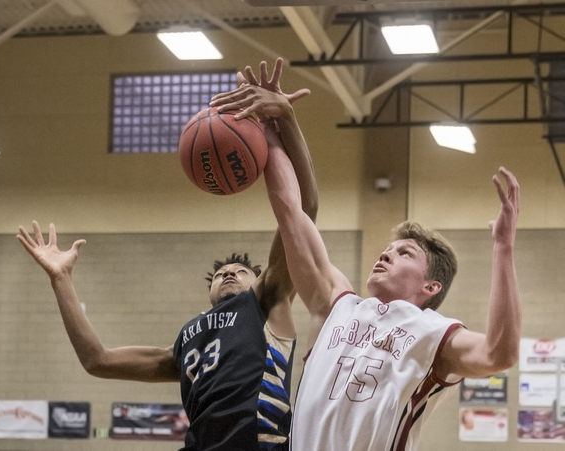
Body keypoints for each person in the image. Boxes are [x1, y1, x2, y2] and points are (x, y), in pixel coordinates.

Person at [16, 58, 317, 451]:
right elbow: (97, 360)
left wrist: (285, 122)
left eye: (240, 271)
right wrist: (61, 280)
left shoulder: (266, 302)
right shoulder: (186, 341)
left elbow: (303, 210)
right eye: (221, 272)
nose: (228, 273)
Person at [213, 85, 521, 449]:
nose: (386, 254)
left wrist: (503, 248)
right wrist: (275, 125)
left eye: (405, 253)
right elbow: (289, 209)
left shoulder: (435, 334)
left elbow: (499, 354)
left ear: (431, 287)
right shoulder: (336, 303)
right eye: (388, 249)